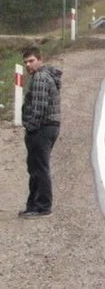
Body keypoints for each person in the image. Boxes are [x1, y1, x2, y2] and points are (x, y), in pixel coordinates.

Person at [20, 46, 62, 218]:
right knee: (36, 167)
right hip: (49, 127)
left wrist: (30, 128)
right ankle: (33, 205)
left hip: (42, 129)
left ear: (40, 60)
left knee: (39, 168)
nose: (28, 65)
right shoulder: (45, 76)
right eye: (25, 62)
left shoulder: (40, 78)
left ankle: (43, 206)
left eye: (31, 61)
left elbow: (38, 109)